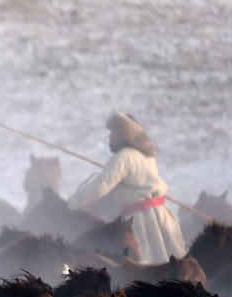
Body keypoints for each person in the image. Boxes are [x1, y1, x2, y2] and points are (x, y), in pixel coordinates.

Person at [68, 111, 186, 264]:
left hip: (141, 221)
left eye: (114, 132)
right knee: (170, 263)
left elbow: (100, 186)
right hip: (162, 215)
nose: (110, 136)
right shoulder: (147, 156)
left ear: (125, 135)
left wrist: (74, 202)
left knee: (144, 266)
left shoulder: (122, 158)